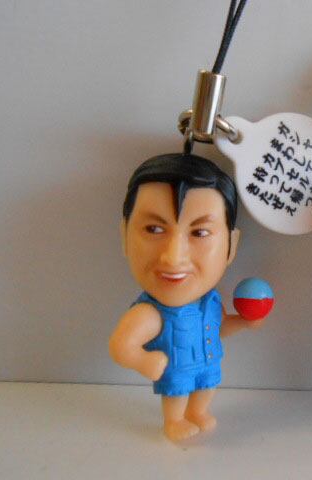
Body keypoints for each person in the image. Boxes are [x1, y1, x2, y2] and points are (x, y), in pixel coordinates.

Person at [109, 153, 266, 441]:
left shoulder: (211, 302)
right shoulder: (150, 313)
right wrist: (142, 361)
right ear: (124, 236)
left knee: (207, 385)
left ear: (231, 246)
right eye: (154, 229)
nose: (174, 257)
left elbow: (218, 327)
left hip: (208, 361)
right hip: (177, 369)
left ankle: (198, 412)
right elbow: (121, 346)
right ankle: (174, 420)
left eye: (200, 232)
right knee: (178, 390)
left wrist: (243, 322)